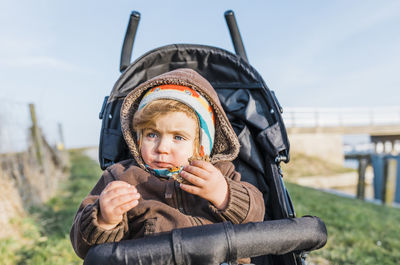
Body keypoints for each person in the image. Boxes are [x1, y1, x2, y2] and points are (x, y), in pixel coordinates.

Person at [70, 68, 265, 262]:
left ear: (202, 144)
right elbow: (84, 247)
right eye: (152, 135)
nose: (162, 148)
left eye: (178, 137)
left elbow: (256, 218)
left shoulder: (220, 173)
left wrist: (224, 194)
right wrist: (105, 220)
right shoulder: (122, 177)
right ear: (137, 138)